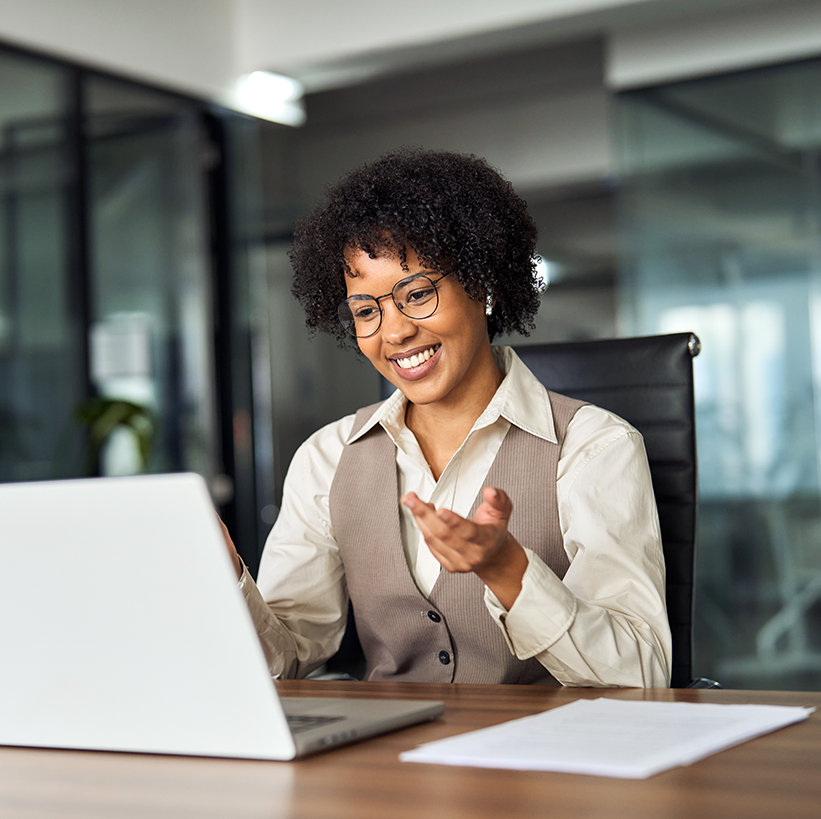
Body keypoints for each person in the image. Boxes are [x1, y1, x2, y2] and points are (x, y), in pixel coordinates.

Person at [222, 148, 671, 688]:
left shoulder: (594, 446)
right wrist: (226, 580)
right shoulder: (328, 457)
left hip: (544, 761)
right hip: (389, 761)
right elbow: (288, 658)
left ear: (481, 285)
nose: (394, 333)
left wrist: (508, 571)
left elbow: (642, 674)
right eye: (367, 311)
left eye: (416, 294)